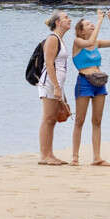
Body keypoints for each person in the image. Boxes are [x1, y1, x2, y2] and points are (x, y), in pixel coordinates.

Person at [71, 10, 110, 166]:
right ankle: (75, 156)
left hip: (99, 82)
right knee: (80, 120)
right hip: (84, 82)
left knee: (97, 121)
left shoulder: (97, 43)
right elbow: (88, 43)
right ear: (81, 31)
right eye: (88, 24)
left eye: (92, 23)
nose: (92, 25)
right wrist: (100, 20)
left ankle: (97, 157)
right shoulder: (78, 42)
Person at [38, 11, 72, 165]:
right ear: (58, 22)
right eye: (66, 18)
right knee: (48, 118)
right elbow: (49, 63)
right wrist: (56, 87)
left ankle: (49, 154)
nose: (69, 19)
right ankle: (45, 156)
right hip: (49, 83)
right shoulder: (52, 39)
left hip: (57, 84)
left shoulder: (61, 39)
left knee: (53, 119)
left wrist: (62, 92)